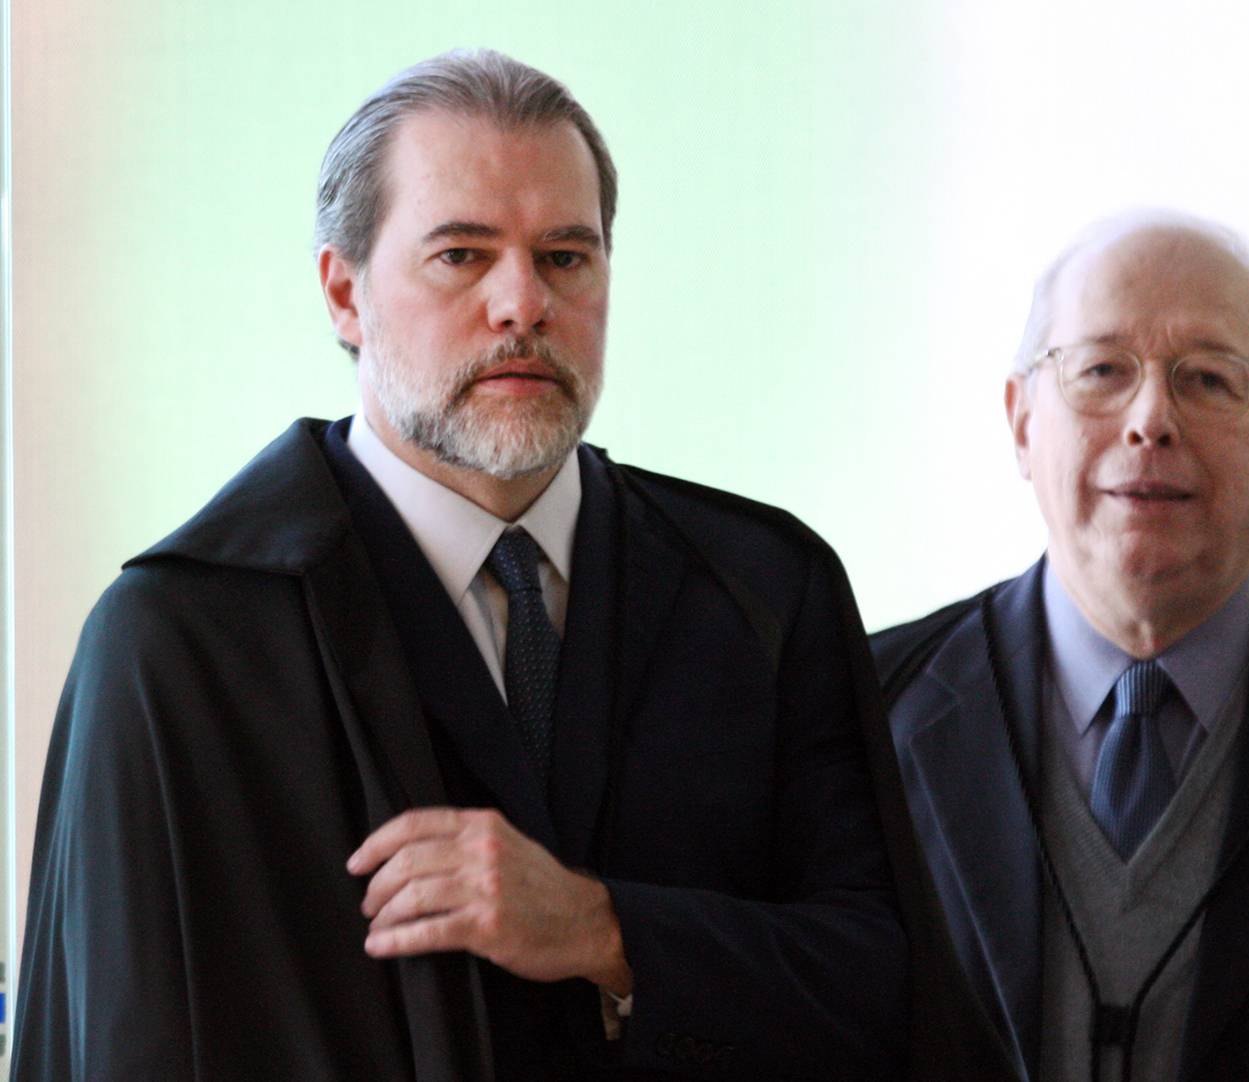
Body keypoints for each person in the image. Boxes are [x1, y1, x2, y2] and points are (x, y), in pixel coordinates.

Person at [12, 49, 1001, 1081]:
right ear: (344, 293)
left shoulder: (769, 588)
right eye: (461, 255)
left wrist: (609, 931)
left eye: (566, 257)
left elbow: (897, 1003)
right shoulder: (178, 643)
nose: (523, 302)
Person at [873, 212, 1249, 1082]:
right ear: (1021, 423)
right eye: (1101, 370)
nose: (1151, 420)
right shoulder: (863, 715)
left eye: (1208, 378)